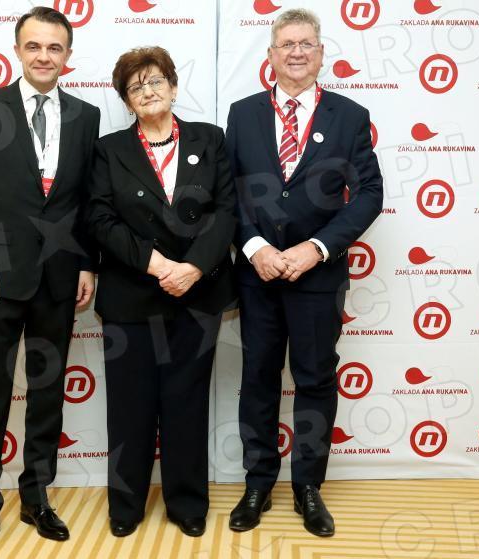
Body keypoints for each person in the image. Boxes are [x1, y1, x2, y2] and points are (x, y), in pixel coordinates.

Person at [225, 8, 383, 537]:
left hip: (317, 277)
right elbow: (229, 192)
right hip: (258, 275)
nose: (296, 52)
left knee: (315, 380)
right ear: (271, 56)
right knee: (258, 378)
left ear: (320, 54)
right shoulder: (242, 114)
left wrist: (317, 248)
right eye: (287, 44)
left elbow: (369, 194)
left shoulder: (350, 115)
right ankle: (258, 483)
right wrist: (253, 246)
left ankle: (308, 487)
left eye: (306, 44)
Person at [0, 7, 100, 557]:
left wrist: (87, 264)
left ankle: (36, 497)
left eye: (54, 48)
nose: (44, 56)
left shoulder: (85, 116)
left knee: (47, 395)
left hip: (58, 279)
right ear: (17, 50)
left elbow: (87, 201)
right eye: (34, 46)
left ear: (67, 56)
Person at [86, 47, 236, 538]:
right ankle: (125, 506)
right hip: (131, 295)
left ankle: (187, 503)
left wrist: (193, 267)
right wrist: (157, 264)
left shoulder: (210, 139)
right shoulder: (109, 149)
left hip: (196, 294)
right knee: (128, 407)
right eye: (136, 87)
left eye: (155, 81)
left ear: (172, 86)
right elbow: (99, 219)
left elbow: (226, 211)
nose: (147, 91)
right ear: (126, 100)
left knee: (186, 403)